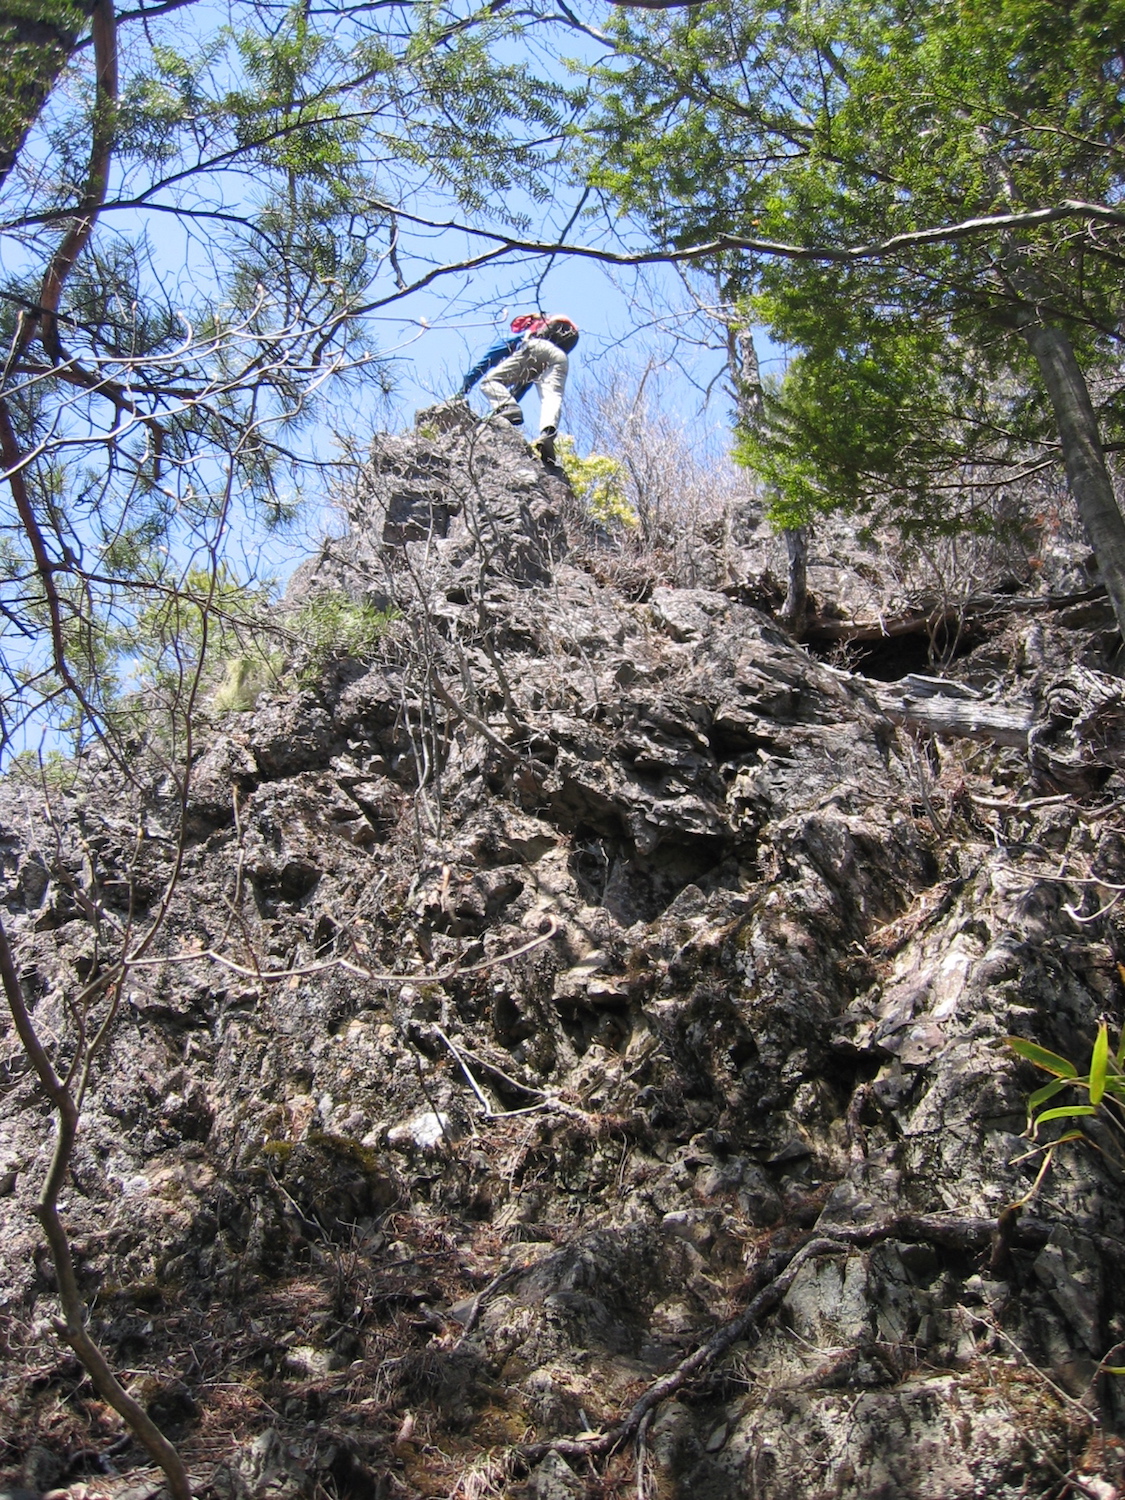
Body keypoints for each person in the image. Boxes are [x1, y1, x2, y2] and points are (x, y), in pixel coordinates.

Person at [459, 313, 579, 458]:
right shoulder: (555, 328)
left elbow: (486, 361)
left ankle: (508, 408)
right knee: (552, 396)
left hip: (537, 346)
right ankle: (547, 434)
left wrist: (464, 388)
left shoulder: (517, 337)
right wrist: (506, 406)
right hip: (561, 357)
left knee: (489, 382)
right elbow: (521, 387)